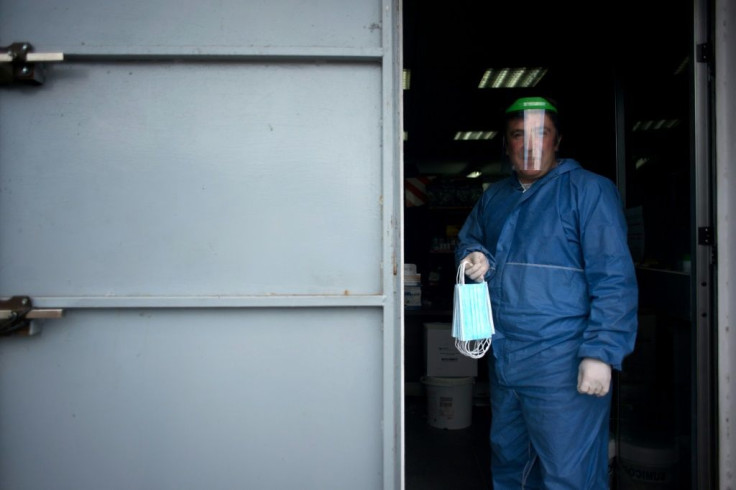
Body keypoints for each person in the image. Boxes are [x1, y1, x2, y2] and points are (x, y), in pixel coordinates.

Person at [455, 96, 638, 488]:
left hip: (562, 361)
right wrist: (475, 254)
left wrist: (601, 352)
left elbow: (614, 278)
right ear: (506, 145)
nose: (530, 144)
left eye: (541, 133)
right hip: (505, 357)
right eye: (519, 135)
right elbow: (469, 238)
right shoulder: (496, 196)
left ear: (558, 140)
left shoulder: (588, 191)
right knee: (510, 464)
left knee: (567, 473)